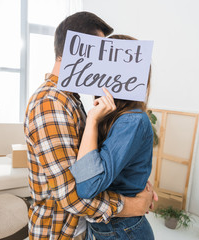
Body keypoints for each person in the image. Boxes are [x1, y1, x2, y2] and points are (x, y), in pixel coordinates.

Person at [24, 12, 157, 240]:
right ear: (76, 49)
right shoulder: (51, 104)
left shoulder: (71, 100)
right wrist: (134, 205)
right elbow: (74, 196)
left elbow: (92, 162)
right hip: (60, 232)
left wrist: (133, 177)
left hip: (84, 229)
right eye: (99, 52)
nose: (104, 65)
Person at [69, 34, 155, 240]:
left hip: (122, 230)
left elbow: (87, 187)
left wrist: (92, 121)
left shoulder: (131, 121)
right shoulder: (112, 117)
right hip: (108, 227)